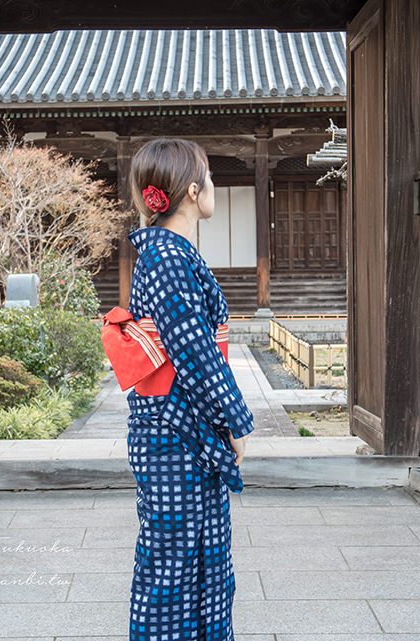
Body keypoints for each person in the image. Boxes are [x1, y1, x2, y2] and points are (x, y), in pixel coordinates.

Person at [124, 137, 255, 641]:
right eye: (210, 178)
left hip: (177, 428)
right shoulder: (168, 259)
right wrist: (236, 420)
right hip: (176, 433)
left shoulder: (164, 254)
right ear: (194, 191)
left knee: (195, 559)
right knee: (176, 566)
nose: (214, 187)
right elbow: (195, 352)